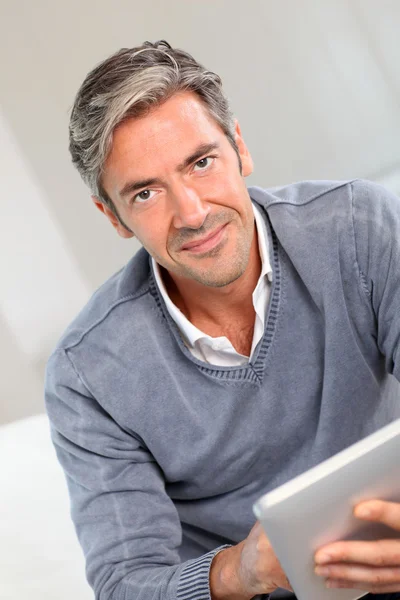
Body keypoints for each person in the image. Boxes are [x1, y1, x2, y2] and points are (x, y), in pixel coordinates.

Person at [45, 40, 400, 600]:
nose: (192, 213)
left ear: (239, 147)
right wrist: (243, 571)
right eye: (145, 193)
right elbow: (126, 584)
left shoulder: (360, 229)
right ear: (112, 216)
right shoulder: (87, 376)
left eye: (201, 163)